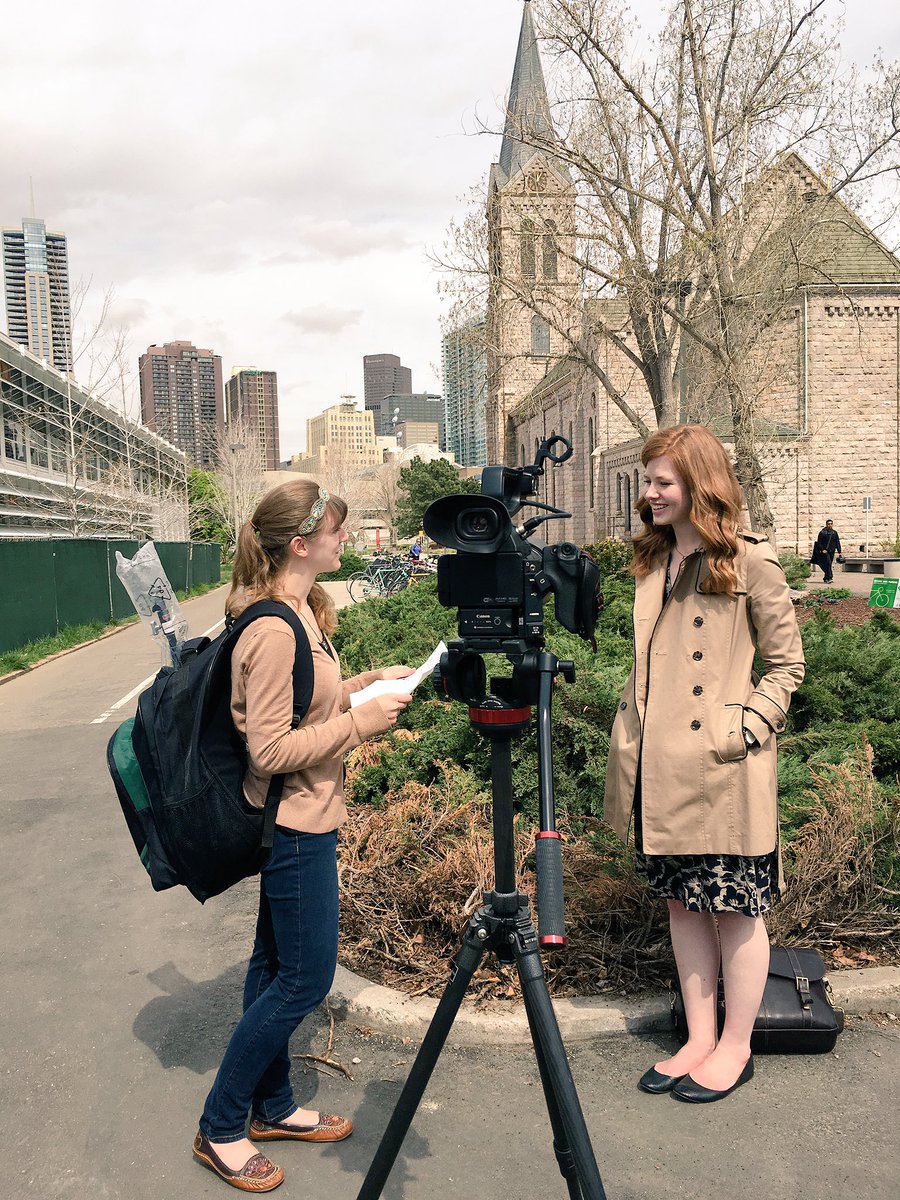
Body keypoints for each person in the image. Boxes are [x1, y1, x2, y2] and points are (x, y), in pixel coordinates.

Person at [193, 480, 414, 1191]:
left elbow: (311, 700)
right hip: (292, 826)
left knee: (270, 968)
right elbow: (269, 750)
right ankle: (221, 1124)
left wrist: (373, 682)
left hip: (308, 815)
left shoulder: (299, 612)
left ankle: (274, 1105)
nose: (345, 540)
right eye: (337, 532)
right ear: (300, 543)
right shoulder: (268, 627)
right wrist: (362, 724)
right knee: (305, 979)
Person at [604, 425, 805, 1104]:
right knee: (683, 908)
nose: (650, 493)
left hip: (722, 771)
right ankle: (697, 1036)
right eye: (649, 480)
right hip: (659, 769)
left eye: (663, 481)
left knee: (736, 912)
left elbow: (786, 665)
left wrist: (746, 725)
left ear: (700, 485)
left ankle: (736, 1045)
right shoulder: (653, 558)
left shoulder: (750, 563)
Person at [811, 519, 842, 584]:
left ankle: (826, 578)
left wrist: (839, 551)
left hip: (832, 551)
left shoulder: (834, 533)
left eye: (831, 524)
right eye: (828, 524)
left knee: (829, 564)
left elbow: (837, 542)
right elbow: (819, 542)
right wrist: (822, 549)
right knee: (827, 563)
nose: (830, 525)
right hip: (825, 552)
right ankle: (830, 577)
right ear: (826, 524)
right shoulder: (822, 532)